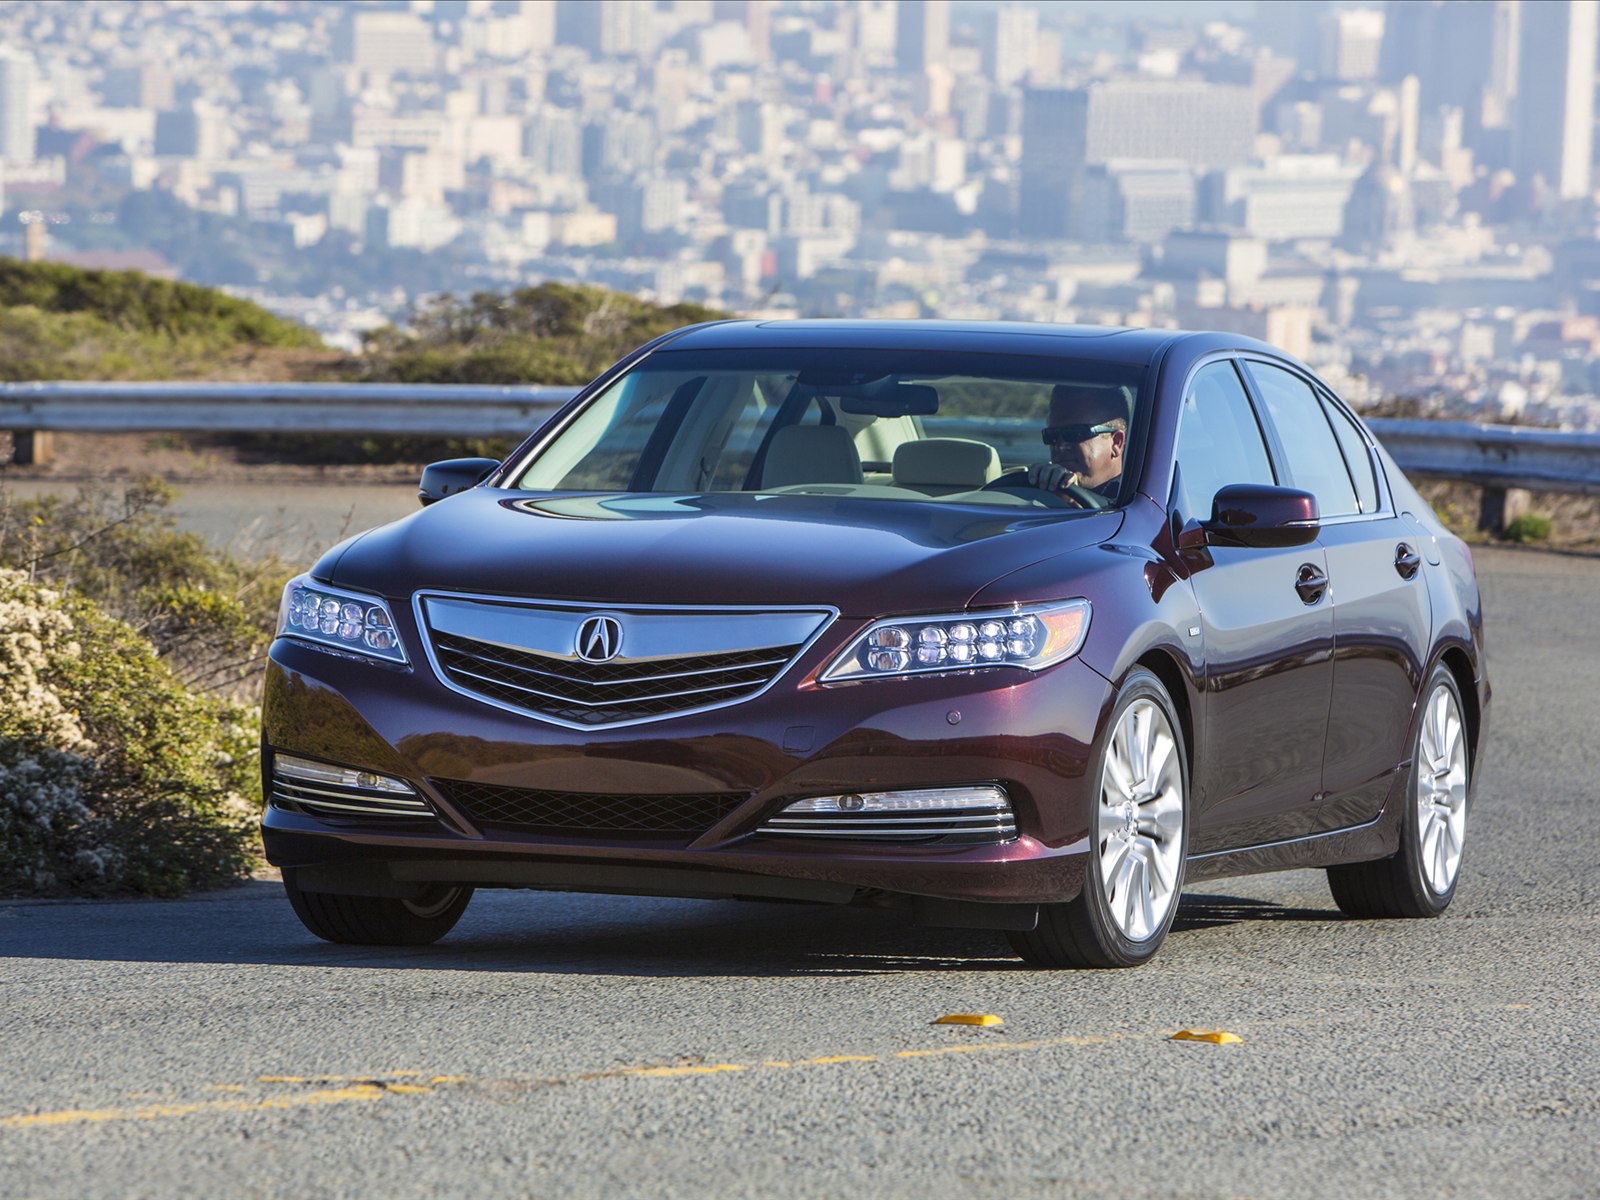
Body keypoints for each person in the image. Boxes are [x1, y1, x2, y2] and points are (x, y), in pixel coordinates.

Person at [1025, 384, 1128, 502]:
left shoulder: (1135, 502)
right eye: (1051, 435)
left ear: (1116, 442)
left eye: (1075, 433)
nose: (1060, 446)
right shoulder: (1036, 492)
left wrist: (1073, 502)